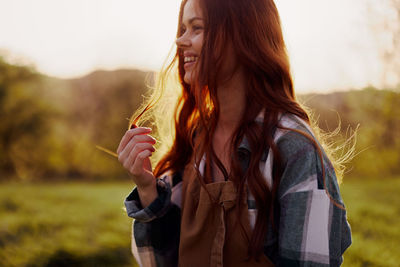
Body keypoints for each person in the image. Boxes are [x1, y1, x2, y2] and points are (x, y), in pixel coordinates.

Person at [117, 0, 352, 266]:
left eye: (197, 28)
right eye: (182, 28)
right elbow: (162, 261)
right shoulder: (194, 142)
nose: (180, 41)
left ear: (242, 36)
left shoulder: (295, 151)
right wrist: (147, 189)